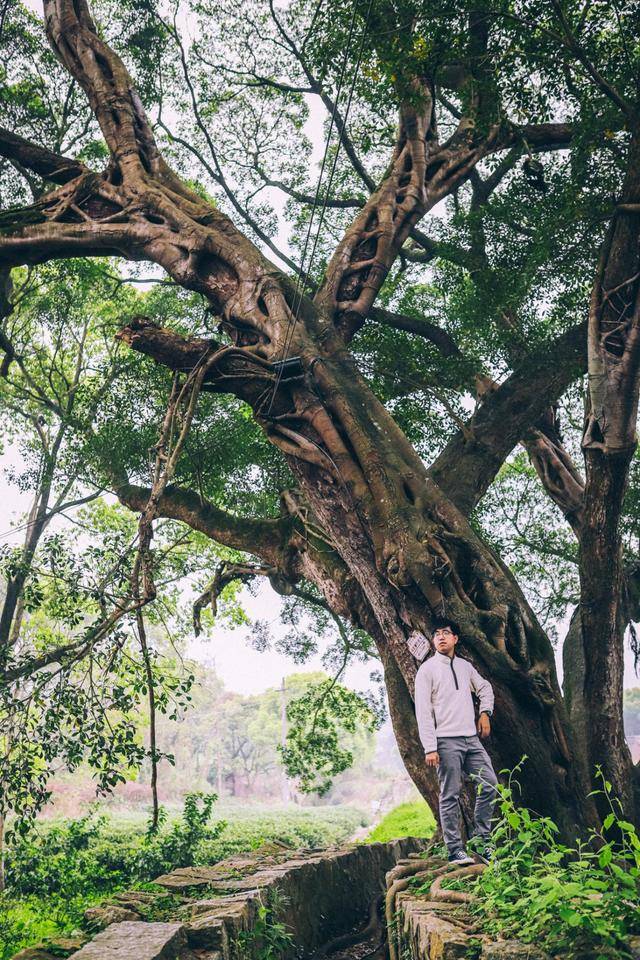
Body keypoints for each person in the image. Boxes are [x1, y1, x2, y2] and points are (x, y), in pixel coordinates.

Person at [414, 616, 498, 865]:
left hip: (471, 740)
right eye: (436, 633)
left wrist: (485, 713)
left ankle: (482, 841)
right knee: (450, 794)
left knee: (490, 783)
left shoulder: (465, 667)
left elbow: (485, 688)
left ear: (455, 639)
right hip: (445, 741)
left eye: (446, 633)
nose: (440, 636)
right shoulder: (426, 670)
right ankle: (455, 850)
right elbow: (423, 711)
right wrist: (430, 747)